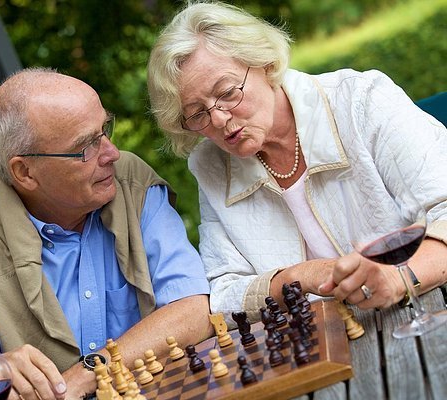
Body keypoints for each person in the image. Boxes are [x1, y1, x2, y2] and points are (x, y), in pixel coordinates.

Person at [0, 67, 213, 400]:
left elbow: (193, 308)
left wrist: (85, 375)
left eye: (105, 129)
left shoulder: (130, 183)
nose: (112, 153)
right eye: (85, 147)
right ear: (25, 172)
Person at [147, 1, 447, 323]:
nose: (218, 119)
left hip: (428, 310)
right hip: (328, 345)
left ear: (263, 63)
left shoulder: (361, 100)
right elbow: (223, 294)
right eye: (197, 113)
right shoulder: (211, 164)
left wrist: (399, 278)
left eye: (228, 92)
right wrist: (303, 275)